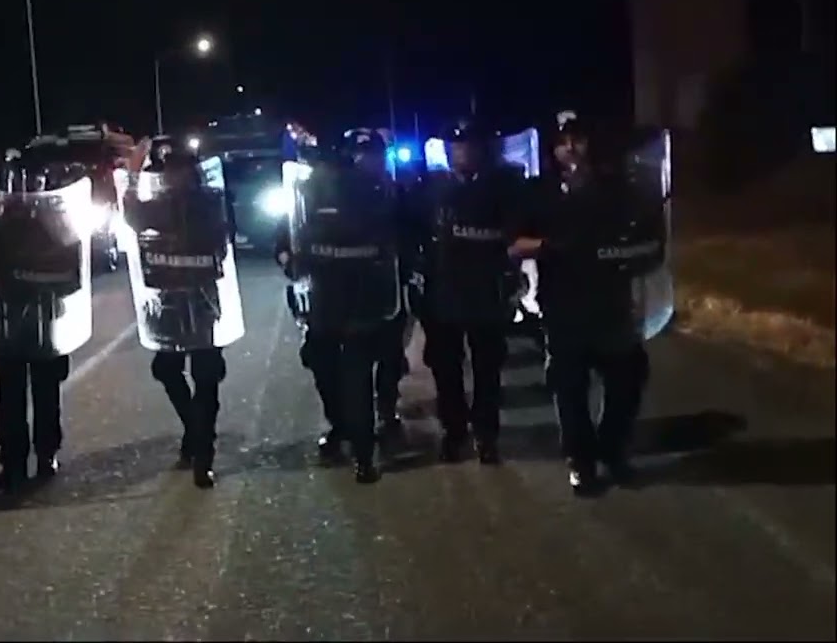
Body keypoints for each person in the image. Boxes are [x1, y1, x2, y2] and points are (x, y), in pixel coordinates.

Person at [510, 114, 659, 494]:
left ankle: (611, 450)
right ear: (552, 148)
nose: (571, 147)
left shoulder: (617, 188)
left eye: (578, 138)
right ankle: (581, 460)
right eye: (563, 141)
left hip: (612, 303)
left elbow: (645, 236)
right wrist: (548, 246)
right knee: (569, 388)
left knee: (627, 382)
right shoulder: (537, 191)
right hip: (563, 305)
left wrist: (636, 253)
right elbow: (512, 244)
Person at [276, 130, 401, 483]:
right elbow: (285, 239)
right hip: (321, 303)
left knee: (357, 376)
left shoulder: (373, 195)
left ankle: (363, 453)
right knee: (324, 370)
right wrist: (289, 259)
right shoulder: (305, 197)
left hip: (361, 301)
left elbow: (390, 244)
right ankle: (341, 426)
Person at [119, 137, 241, 488]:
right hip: (166, 301)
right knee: (166, 369)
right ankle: (195, 429)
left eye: (180, 170)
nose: (173, 177)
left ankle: (204, 455)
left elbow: (223, 236)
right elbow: (132, 216)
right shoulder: (153, 204)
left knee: (206, 376)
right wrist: (130, 174)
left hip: (201, 300)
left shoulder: (209, 202)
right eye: (166, 171)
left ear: (192, 172)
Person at [404, 119, 524, 465]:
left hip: (488, 291)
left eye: (469, 145)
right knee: (445, 367)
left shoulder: (505, 186)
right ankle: (454, 430)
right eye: (456, 146)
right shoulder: (429, 188)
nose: (463, 152)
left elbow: (516, 232)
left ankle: (486, 434)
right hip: (442, 292)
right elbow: (407, 229)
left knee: (488, 369)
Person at [0, 143, 94, 493]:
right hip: (10, 321)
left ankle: (46, 453)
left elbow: (73, 273)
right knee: (10, 398)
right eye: (19, 179)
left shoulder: (59, 220)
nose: (25, 186)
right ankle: (13, 463)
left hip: (47, 320)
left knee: (46, 394)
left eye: (31, 179)